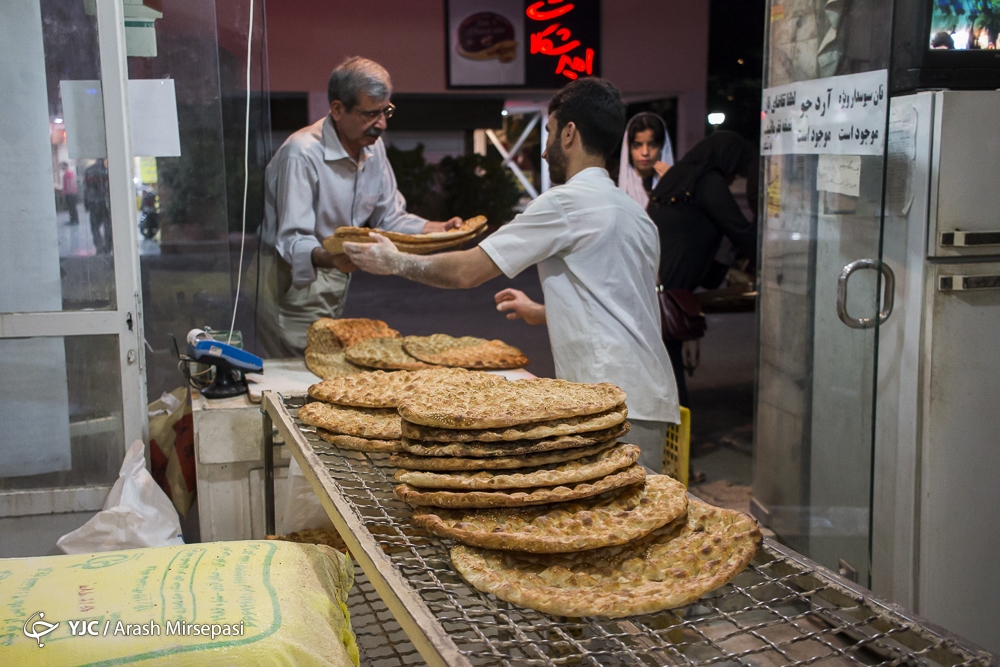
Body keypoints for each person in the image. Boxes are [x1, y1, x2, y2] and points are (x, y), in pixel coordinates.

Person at [343, 77, 680, 472]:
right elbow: (621, 299)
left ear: (570, 133)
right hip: (650, 398)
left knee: (603, 524)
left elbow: (468, 271)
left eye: (550, 133)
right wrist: (542, 310)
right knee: (637, 523)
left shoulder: (567, 203)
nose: (543, 149)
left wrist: (395, 261)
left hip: (607, 400)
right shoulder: (634, 213)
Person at [257, 56, 461, 356]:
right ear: (338, 109)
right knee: (298, 370)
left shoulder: (372, 147)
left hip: (335, 270)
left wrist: (437, 229)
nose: (381, 124)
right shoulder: (301, 154)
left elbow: (390, 216)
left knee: (324, 364)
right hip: (292, 279)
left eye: (386, 111)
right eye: (370, 114)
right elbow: (291, 238)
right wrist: (332, 258)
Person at [646, 130, 757, 407]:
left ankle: (669, 432)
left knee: (662, 365)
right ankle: (675, 435)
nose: (733, 180)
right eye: (736, 172)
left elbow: (689, 236)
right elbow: (739, 229)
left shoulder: (675, 178)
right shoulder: (708, 181)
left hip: (651, 281)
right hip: (667, 290)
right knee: (670, 369)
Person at [617, 112, 674, 210]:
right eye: (637, 145)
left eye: (652, 145)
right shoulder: (614, 185)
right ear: (628, 148)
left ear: (661, 147)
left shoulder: (677, 184)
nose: (645, 152)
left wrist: (670, 186)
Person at [84, 159, 112, 254]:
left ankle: (99, 247)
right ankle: (108, 247)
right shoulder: (107, 171)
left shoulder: (89, 171)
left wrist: (86, 203)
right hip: (105, 203)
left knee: (95, 227)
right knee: (107, 226)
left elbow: (86, 189)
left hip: (93, 203)